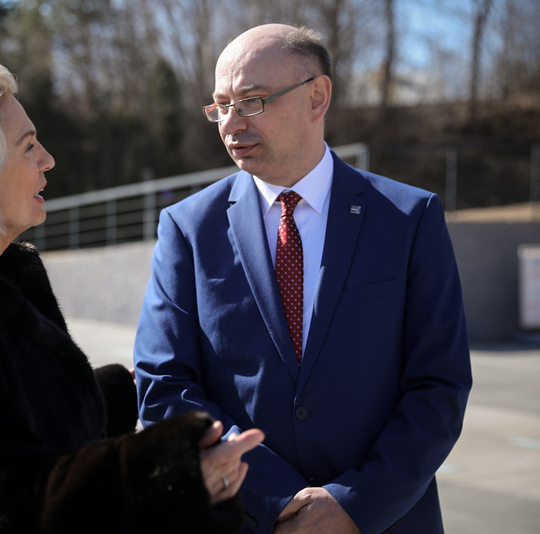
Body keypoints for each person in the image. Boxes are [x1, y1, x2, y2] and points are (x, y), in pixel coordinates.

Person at [0, 58, 264, 534]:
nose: (48, 160)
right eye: (28, 146)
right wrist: (168, 470)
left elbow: (11, 418)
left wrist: (124, 389)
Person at [134, 24, 472, 534]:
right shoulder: (187, 227)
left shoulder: (409, 217)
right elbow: (164, 388)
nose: (230, 124)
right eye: (220, 106)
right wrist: (279, 499)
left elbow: (439, 384)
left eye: (250, 101)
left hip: (387, 520)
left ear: (317, 97)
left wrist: (354, 505)